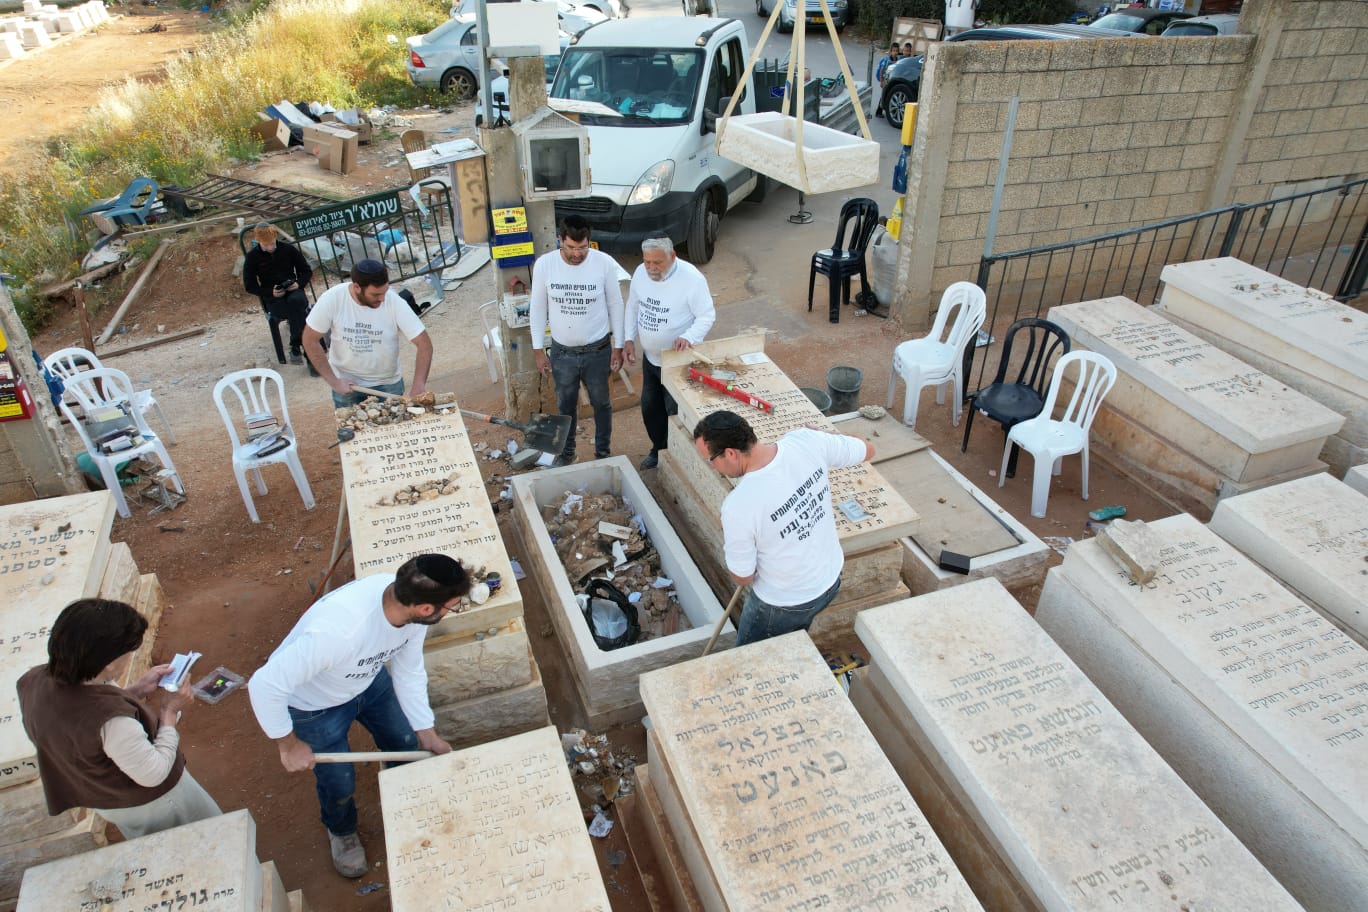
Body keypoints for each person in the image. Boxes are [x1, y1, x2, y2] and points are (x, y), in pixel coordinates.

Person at [247, 554, 469, 878]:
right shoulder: (338, 633)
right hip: (314, 707)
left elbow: (408, 671)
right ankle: (342, 831)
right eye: (451, 607)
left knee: (406, 742)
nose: (449, 612)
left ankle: (407, 800)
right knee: (339, 781)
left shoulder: (406, 609)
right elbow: (264, 686)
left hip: (368, 680)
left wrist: (426, 731)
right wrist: (288, 745)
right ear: (425, 609)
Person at [16, 599, 222, 840]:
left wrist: (134, 692)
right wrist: (168, 711)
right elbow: (154, 773)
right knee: (207, 839)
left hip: (106, 799)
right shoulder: (113, 723)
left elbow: (81, 724)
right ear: (111, 662)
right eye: (129, 653)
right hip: (156, 806)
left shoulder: (33, 680)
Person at [693, 410, 873, 646]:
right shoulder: (808, 440)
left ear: (730, 453)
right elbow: (868, 450)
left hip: (782, 605)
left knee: (752, 660)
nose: (712, 467)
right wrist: (826, 436)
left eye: (710, 460)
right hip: (829, 581)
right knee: (793, 640)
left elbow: (743, 577)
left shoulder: (739, 505)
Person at [530, 214, 625, 465]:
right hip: (562, 353)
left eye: (582, 248)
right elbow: (538, 308)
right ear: (560, 240)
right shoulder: (545, 265)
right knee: (566, 406)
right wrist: (538, 350)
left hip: (598, 350)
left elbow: (616, 304)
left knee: (601, 403)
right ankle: (567, 453)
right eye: (571, 247)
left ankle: (602, 453)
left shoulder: (604, 264)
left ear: (589, 242)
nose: (577, 254)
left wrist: (619, 345)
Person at [624, 236, 715, 470]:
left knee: (675, 413)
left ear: (672, 256)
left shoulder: (691, 279)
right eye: (647, 262)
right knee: (650, 408)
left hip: (679, 362)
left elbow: (707, 315)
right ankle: (659, 450)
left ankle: (681, 458)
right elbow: (633, 307)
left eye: (658, 263)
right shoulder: (640, 274)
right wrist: (628, 339)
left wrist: (689, 337)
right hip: (652, 360)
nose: (652, 269)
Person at [302, 259, 433, 409]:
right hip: (347, 384)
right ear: (357, 287)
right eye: (376, 294)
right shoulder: (332, 299)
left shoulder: (393, 301)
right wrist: (334, 382)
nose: (382, 298)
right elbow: (309, 340)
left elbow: (424, 344)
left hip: (388, 383)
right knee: (351, 432)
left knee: (391, 431)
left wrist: (419, 384)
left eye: (385, 291)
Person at [242, 223, 313, 365]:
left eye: (272, 243)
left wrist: (298, 283)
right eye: (266, 245)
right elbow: (250, 285)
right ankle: (303, 347)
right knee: (295, 309)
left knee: (296, 302)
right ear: (259, 242)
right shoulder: (252, 257)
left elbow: (306, 271)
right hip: (274, 298)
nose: (270, 248)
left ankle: (295, 344)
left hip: (294, 291)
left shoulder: (288, 249)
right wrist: (270, 292)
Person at [874, 42, 900, 118]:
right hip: (886, 80)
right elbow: (882, 70)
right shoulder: (887, 60)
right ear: (890, 51)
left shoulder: (897, 60)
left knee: (888, 94)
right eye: (894, 51)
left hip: (891, 80)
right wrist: (882, 81)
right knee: (883, 95)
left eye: (896, 51)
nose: (895, 53)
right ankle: (879, 111)